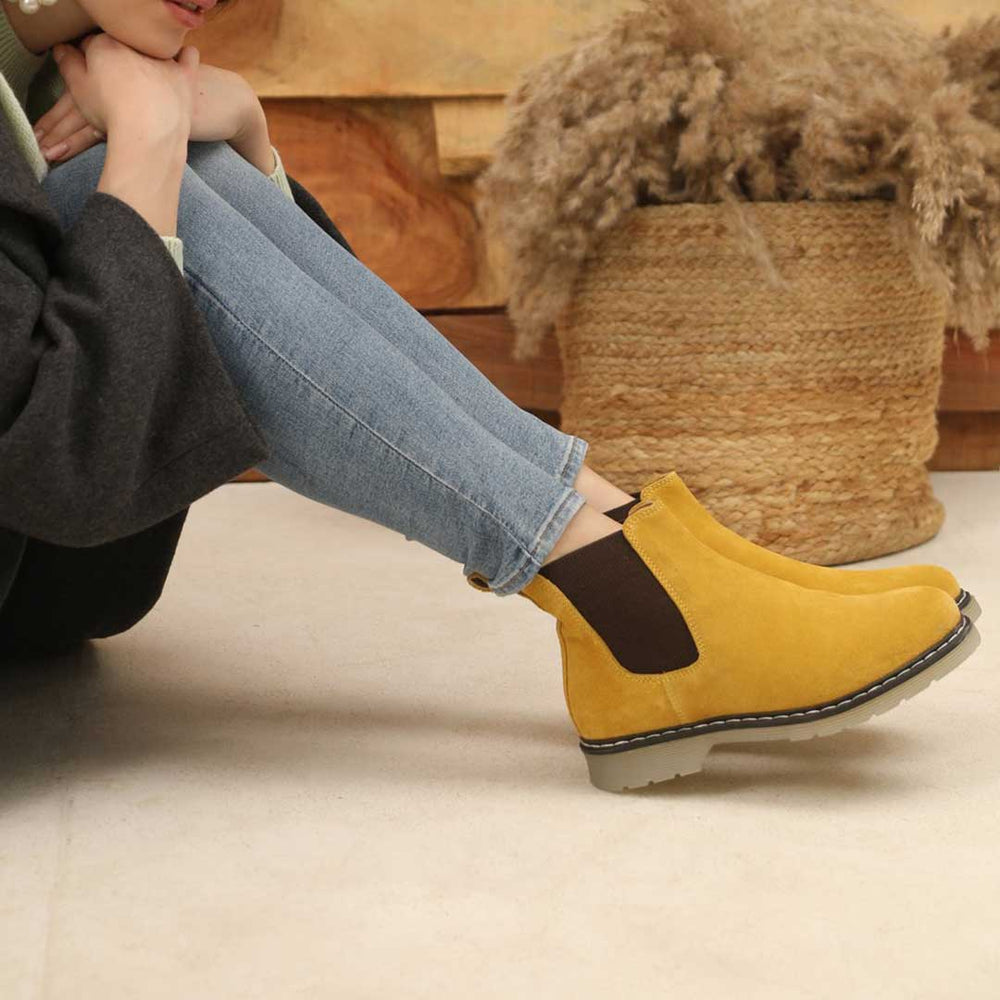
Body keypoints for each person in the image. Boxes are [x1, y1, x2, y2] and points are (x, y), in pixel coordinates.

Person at [0, 0, 981, 791]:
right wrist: (145, 147)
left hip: (64, 568)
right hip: (48, 533)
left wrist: (240, 128)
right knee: (116, 183)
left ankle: (626, 545)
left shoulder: (66, 61)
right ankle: (638, 606)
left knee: (168, 171)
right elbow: (60, 464)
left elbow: (301, 358)